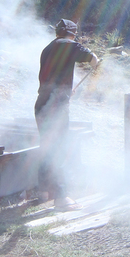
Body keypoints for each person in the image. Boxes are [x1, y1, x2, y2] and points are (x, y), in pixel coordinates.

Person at [34, 19, 98, 211]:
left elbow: (51, 77)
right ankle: (61, 198)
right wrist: (95, 61)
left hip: (42, 104)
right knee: (59, 148)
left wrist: (64, 90)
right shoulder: (68, 44)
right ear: (72, 33)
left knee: (46, 146)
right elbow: (91, 58)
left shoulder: (47, 49)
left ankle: (42, 192)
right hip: (56, 108)